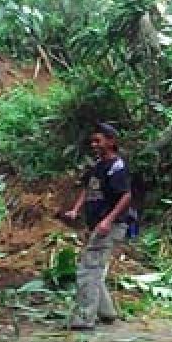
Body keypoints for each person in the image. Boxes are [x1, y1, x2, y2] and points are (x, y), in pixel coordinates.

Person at [62, 122, 132, 330]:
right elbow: (88, 188)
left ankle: (84, 318)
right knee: (94, 268)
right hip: (99, 225)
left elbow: (126, 196)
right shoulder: (98, 165)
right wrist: (75, 209)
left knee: (88, 269)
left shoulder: (117, 167)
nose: (94, 144)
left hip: (110, 225)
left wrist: (107, 221)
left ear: (111, 142)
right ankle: (106, 312)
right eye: (92, 141)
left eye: (98, 141)